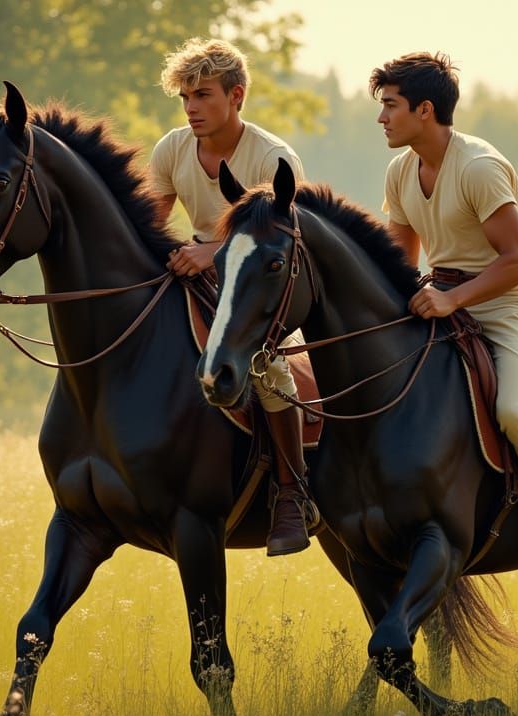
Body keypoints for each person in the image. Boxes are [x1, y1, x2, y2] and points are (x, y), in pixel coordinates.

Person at [370, 52, 518, 594]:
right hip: (442, 298)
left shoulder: (479, 167)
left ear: (424, 109)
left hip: (506, 306)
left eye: (390, 106)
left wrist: (453, 299)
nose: (382, 118)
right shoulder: (400, 171)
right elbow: (400, 257)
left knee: (515, 412)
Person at [149, 37, 314, 556]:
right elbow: (152, 225)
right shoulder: (171, 148)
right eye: (185, 97)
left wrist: (212, 253)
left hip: (256, 280)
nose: (191, 108)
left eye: (203, 95)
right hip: (193, 271)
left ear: (236, 95)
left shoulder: (273, 157)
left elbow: (280, 243)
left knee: (268, 367)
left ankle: (292, 494)